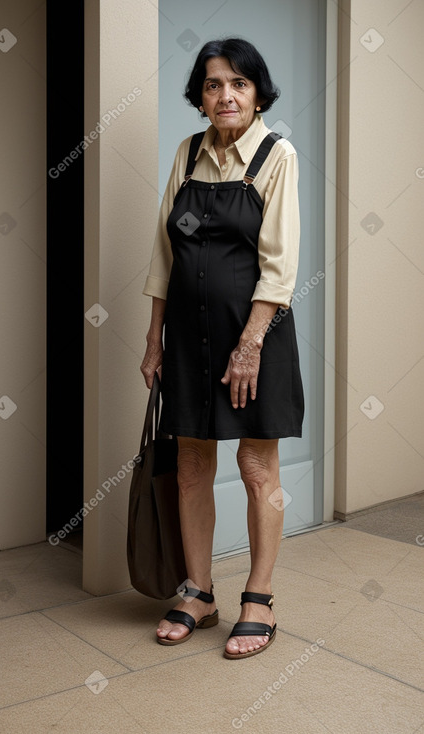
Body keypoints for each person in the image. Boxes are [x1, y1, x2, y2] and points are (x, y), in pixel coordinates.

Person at [140, 37, 304, 660]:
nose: (226, 95)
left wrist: (251, 344)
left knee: (257, 468)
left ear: (257, 91)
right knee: (189, 468)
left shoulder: (275, 155)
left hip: (254, 339)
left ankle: (258, 598)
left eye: (238, 83)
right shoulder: (186, 154)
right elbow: (164, 253)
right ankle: (199, 591)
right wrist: (154, 337)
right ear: (200, 96)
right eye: (213, 84)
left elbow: (280, 264)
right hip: (187, 336)